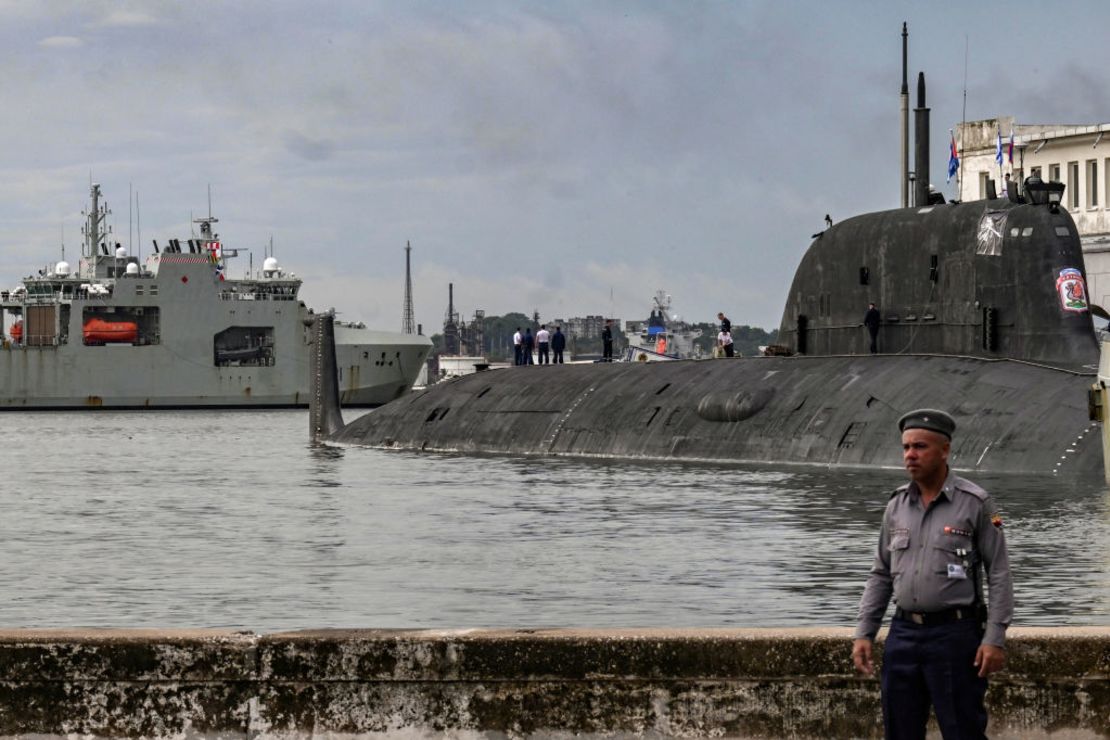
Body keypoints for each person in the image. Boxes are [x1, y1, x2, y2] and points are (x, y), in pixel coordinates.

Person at [852, 409, 1013, 740]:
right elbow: (881, 573)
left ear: (945, 450)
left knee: (963, 730)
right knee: (900, 731)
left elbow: (999, 572)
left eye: (920, 447)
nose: (910, 455)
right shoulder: (895, 505)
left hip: (955, 636)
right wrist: (864, 632)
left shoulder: (980, 503)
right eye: (906, 447)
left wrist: (994, 637)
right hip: (903, 634)